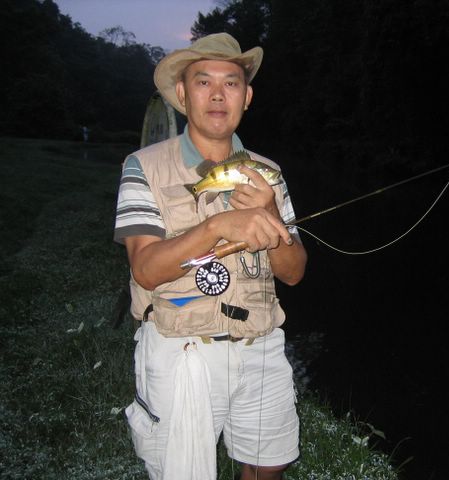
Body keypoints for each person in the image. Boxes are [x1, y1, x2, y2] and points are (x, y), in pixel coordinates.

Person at [113, 32, 307, 480]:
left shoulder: (269, 173)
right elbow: (145, 271)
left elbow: (294, 273)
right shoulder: (143, 166)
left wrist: (270, 216)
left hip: (260, 344)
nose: (218, 94)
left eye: (231, 83)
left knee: (268, 465)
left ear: (247, 97)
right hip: (182, 349)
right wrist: (217, 226)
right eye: (203, 82)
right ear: (183, 95)